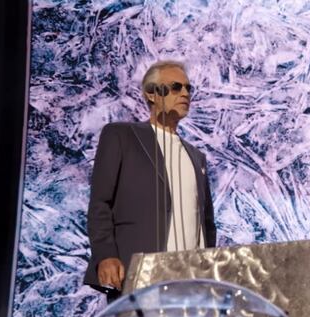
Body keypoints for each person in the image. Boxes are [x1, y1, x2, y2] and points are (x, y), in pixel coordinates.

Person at [83, 61, 217, 300]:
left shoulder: (197, 158)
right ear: (152, 94)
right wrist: (105, 254)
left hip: (190, 282)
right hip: (139, 276)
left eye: (188, 88)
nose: (185, 93)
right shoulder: (121, 136)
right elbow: (100, 202)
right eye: (176, 87)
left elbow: (207, 224)